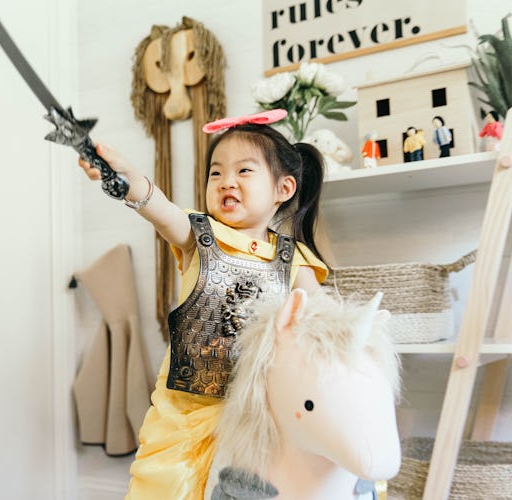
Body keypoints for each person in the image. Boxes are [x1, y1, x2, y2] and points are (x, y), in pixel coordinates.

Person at [77, 109, 329, 499]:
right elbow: (155, 204)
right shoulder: (199, 235)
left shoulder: (295, 259)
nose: (226, 181)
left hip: (259, 419)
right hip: (184, 415)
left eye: (244, 171)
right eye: (216, 172)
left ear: (284, 188)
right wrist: (125, 177)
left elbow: (323, 329)